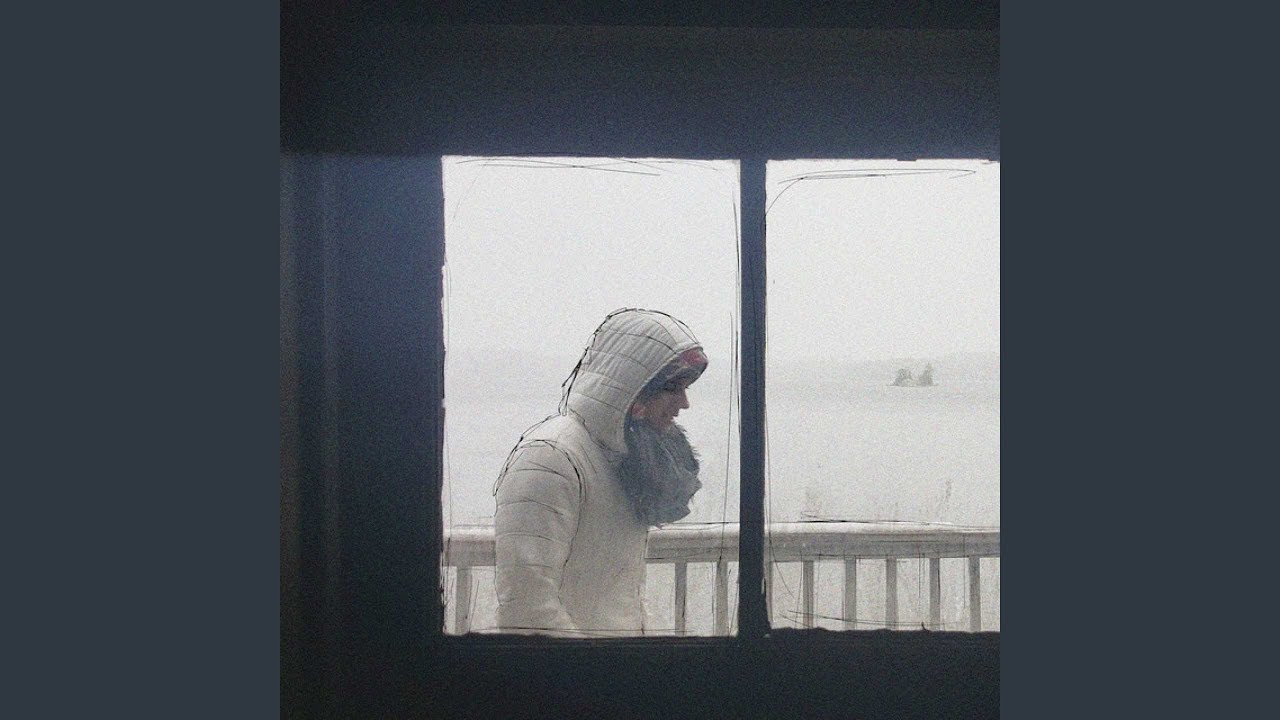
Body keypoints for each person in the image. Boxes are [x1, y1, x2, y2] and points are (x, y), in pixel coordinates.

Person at [493, 308, 708, 636]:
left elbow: (618, 597)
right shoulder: (551, 458)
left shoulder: (622, 459)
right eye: (672, 387)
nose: (684, 403)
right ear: (631, 386)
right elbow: (526, 606)